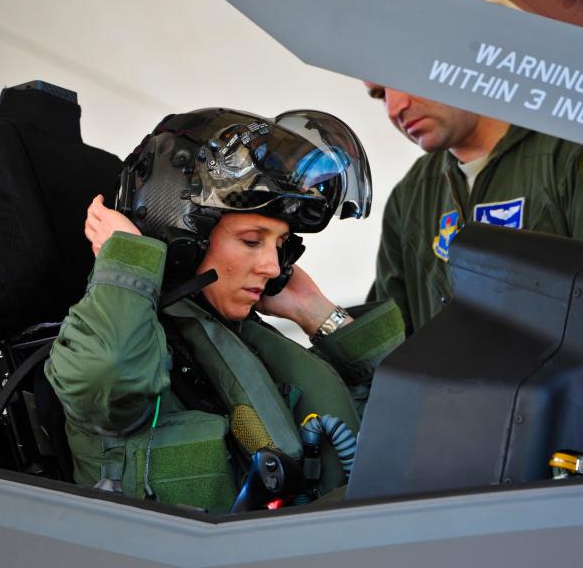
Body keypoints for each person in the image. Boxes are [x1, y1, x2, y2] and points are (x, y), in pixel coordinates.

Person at [45, 107, 404, 513]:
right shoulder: (112, 344)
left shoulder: (244, 339)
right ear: (184, 235)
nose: (272, 266)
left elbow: (403, 427)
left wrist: (316, 312)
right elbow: (110, 376)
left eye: (279, 246)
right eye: (252, 241)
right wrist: (127, 263)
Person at [363, 83, 583, 334]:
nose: (395, 107)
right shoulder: (410, 196)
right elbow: (390, 350)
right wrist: (316, 310)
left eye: (405, 78)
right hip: (460, 424)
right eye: (379, 94)